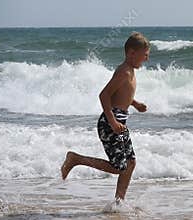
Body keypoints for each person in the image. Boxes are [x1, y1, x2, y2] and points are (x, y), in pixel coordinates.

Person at [60, 32, 150, 202]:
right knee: (118, 167)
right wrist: (113, 121)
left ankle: (119, 203)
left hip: (119, 122)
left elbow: (121, 95)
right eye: (144, 55)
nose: (146, 59)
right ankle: (75, 159)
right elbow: (104, 95)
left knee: (130, 163)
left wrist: (135, 104)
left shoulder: (130, 71)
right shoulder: (124, 72)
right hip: (111, 123)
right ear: (131, 53)